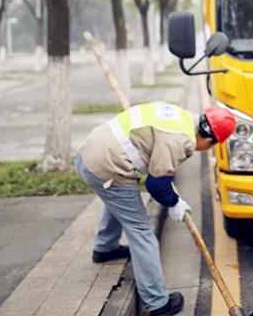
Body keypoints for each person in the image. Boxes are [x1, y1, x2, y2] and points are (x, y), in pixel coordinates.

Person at [74, 102, 236, 316]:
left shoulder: (180, 115)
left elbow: (158, 168)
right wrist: (174, 203)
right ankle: (158, 303)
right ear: (209, 140)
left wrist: (168, 186)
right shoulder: (181, 140)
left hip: (91, 153)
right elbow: (156, 184)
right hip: (106, 166)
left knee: (119, 200)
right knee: (141, 230)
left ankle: (105, 247)